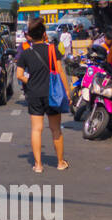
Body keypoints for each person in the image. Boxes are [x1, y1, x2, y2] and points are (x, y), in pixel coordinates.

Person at [15, 18, 72, 173]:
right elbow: (60, 72)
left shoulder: (25, 53)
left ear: (30, 36)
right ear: (44, 34)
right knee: (55, 129)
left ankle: (38, 165)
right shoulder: (52, 49)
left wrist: (31, 81)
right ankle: (60, 162)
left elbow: (19, 75)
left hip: (34, 94)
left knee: (36, 129)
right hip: (52, 94)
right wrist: (67, 91)